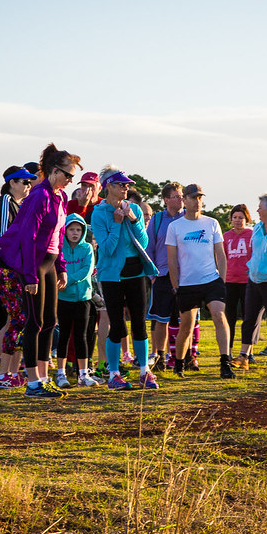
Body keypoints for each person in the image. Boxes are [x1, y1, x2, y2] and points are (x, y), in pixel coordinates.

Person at [0, 144, 81, 399]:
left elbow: (59, 234)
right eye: (68, 175)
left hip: (50, 263)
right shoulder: (39, 196)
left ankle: (43, 378)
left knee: (51, 322)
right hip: (31, 263)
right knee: (34, 322)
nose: (70, 181)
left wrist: (61, 267)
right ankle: (32, 383)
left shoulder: (61, 197)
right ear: (54, 171)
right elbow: (27, 237)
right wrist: (30, 276)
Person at [91, 166, 158, 390]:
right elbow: (107, 249)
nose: (126, 188)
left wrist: (133, 219)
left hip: (136, 271)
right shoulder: (99, 213)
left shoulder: (135, 209)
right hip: (111, 274)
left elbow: (143, 243)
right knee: (117, 325)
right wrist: (118, 224)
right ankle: (113, 375)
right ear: (108, 186)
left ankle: (144, 372)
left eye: (128, 185)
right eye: (122, 185)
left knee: (139, 322)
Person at [165, 183, 237, 380]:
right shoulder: (175, 227)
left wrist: (221, 280)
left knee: (218, 315)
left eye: (200, 198)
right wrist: (176, 285)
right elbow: (171, 259)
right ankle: (179, 362)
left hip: (211, 280)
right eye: (194, 198)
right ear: (184, 200)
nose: (198, 201)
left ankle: (225, 362)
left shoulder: (212, 223)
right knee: (186, 326)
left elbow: (220, 255)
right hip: (187, 284)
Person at [0, 165, 39, 388]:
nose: (28, 186)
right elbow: (6, 236)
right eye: (24, 182)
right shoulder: (6, 201)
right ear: (11, 183)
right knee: (16, 318)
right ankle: (3, 375)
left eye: (29, 182)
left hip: (17, 268)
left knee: (21, 318)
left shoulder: (21, 204)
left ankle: (12, 372)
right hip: (6, 268)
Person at [233, 193, 267, 368]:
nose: (257, 210)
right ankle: (243, 356)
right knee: (249, 319)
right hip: (254, 279)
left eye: (260, 207)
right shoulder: (257, 227)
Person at [56, 214, 100, 387]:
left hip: (83, 298)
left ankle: (83, 374)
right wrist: (61, 283)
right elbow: (56, 268)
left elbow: (87, 270)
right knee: (64, 336)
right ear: (65, 231)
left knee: (81, 336)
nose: (75, 233)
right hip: (63, 298)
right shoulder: (60, 248)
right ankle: (61, 374)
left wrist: (66, 280)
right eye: (71, 229)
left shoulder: (88, 248)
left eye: (78, 229)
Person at [145, 182, 186, 372]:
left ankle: (184, 358)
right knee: (161, 319)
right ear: (166, 199)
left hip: (185, 275)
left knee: (186, 318)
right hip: (162, 274)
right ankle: (160, 357)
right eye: (177, 196)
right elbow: (149, 246)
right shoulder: (158, 219)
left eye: (182, 196)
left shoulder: (188, 218)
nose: (181, 199)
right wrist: (153, 274)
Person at [223, 204, 253, 352]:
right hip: (229, 281)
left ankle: (248, 351)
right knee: (229, 318)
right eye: (235, 217)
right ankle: (227, 350)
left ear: (246, 219)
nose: (237, 220)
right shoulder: (226, 236)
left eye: (241, 217)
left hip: (247, 281)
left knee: (248, 318)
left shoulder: (252, 235)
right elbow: (221, 258)